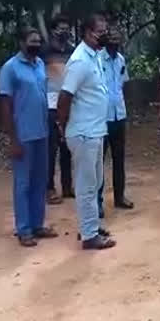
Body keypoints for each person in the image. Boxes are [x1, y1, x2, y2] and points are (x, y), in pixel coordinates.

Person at [57, 13, 116, 250]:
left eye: (105, 30)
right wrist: (62, 126)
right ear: (87, 33)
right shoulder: (80, 60)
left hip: (95, 130)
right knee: (86, 184)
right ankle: (89, 235)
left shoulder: (96, 56)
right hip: (83, 132)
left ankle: (89, 225)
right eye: (100, 32)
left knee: (96, 181)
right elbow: (64, 97)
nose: (104, 35)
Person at [0, 27, 58, 247]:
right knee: (22, 183)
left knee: (40, 181)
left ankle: (37, 224)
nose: (36, 44)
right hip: (22, 134)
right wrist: (12, 139)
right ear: (21, 42)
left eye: (38, 41)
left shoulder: (40, 64)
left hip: (42, 131)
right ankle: (23, 229)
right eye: (32, 41)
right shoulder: (10, 69)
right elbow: (5, 106)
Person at [99, 27, 134, 212]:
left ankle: (120, 197)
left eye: (117, 38)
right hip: (102, 117)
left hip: (119, 115)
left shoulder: (120, 59)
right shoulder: (98, 59)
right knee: (100, 161)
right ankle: (98, 202)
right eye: (111, 37)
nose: (114, 41)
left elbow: (123, 84)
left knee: (119, 159)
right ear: (105, 40)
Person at [43, 15, 74, 204]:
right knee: (51, 148)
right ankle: (49, 188)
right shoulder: (44, 52)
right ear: (52, 30)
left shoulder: (72, 51)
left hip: (69, 103)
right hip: (50, 104)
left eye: (66, 28)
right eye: (60, 28)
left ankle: (67, 186)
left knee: (67, 148)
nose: (64, 32)